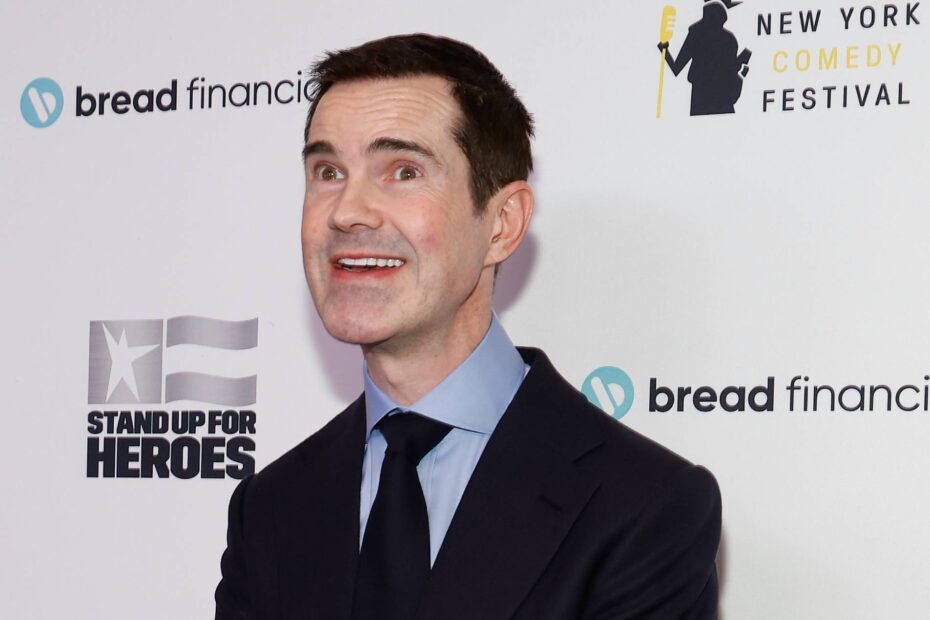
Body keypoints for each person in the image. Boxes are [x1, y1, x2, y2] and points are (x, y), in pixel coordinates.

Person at [215, 33, 721, 620]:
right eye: (328, 171)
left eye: (403, 171)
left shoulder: (644, 507)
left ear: (502, 223)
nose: (347, 211)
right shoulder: (270, 508)